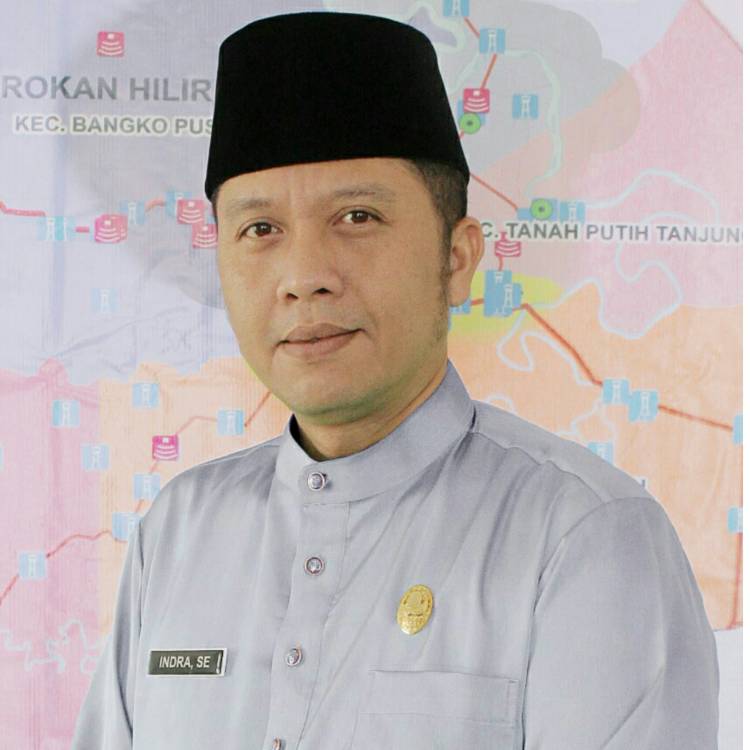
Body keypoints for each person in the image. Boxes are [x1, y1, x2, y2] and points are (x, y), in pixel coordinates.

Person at [71, 11, 720, 750]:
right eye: (260, 230)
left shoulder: (585, 538)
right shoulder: (179, 532)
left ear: (457, 258)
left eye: (357, 216)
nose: (304, 276)